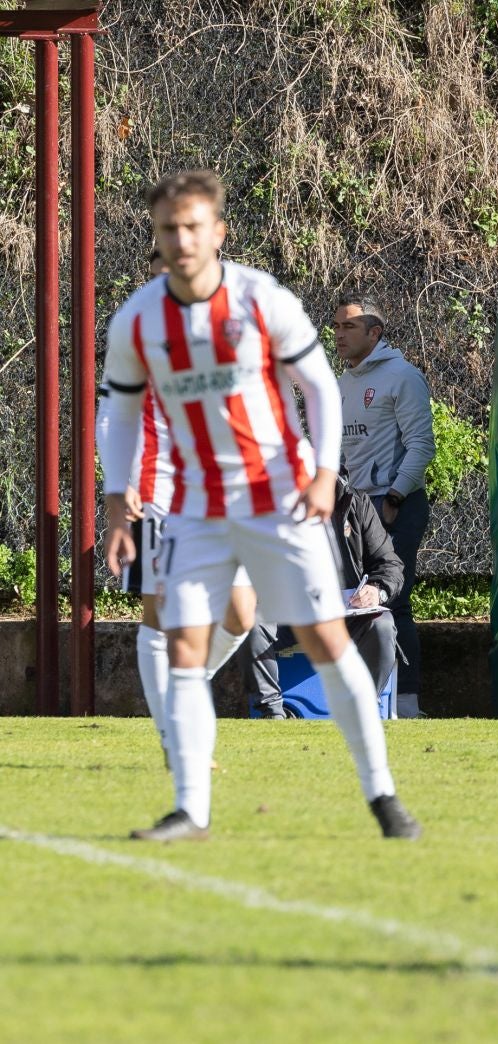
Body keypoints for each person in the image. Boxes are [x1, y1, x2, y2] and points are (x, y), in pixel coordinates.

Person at [101, 169, 420, 842]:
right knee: (183, 647)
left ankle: (384, 797)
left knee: (327, 641)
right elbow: (122, 414)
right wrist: (115, 501)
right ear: (157, 238)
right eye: (168, 229)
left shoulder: (260, 299)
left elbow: (319, 388)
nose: (181, 240)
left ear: (217, 232)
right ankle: (191, 808)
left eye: (193, 227)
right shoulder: (138, 321)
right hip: (193, 508)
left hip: (277, 499)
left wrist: (325, 471)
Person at [96, 248, 262, 754]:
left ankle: (183, 691)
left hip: (223, 492)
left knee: (241, 614)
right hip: (159, 492)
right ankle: (175, 731)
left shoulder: (235, 323)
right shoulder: (137, 333)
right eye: (156, 276)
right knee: (160, 613)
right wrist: (120, 487)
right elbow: (111, 416)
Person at [333, 296, 434, 718]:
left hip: (395, 504)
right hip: (354, 508)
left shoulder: (402, 377)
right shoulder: (342, 382)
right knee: (352, 600)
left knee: (393, 599)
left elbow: (421, 445)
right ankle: (355, 699)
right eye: (336, 327)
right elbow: (342, 448)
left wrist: (394, 497)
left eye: (349, 327)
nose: (339, 334)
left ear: (375, 332)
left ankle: (404, 703)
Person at [246, 474, 404, 719]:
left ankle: (363, 710)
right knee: (253, 622)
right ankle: (271, 713)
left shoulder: (357, 504)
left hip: (349, 612)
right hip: (292, 612)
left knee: (382, 626)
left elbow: (389, 564)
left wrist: (376, 590)